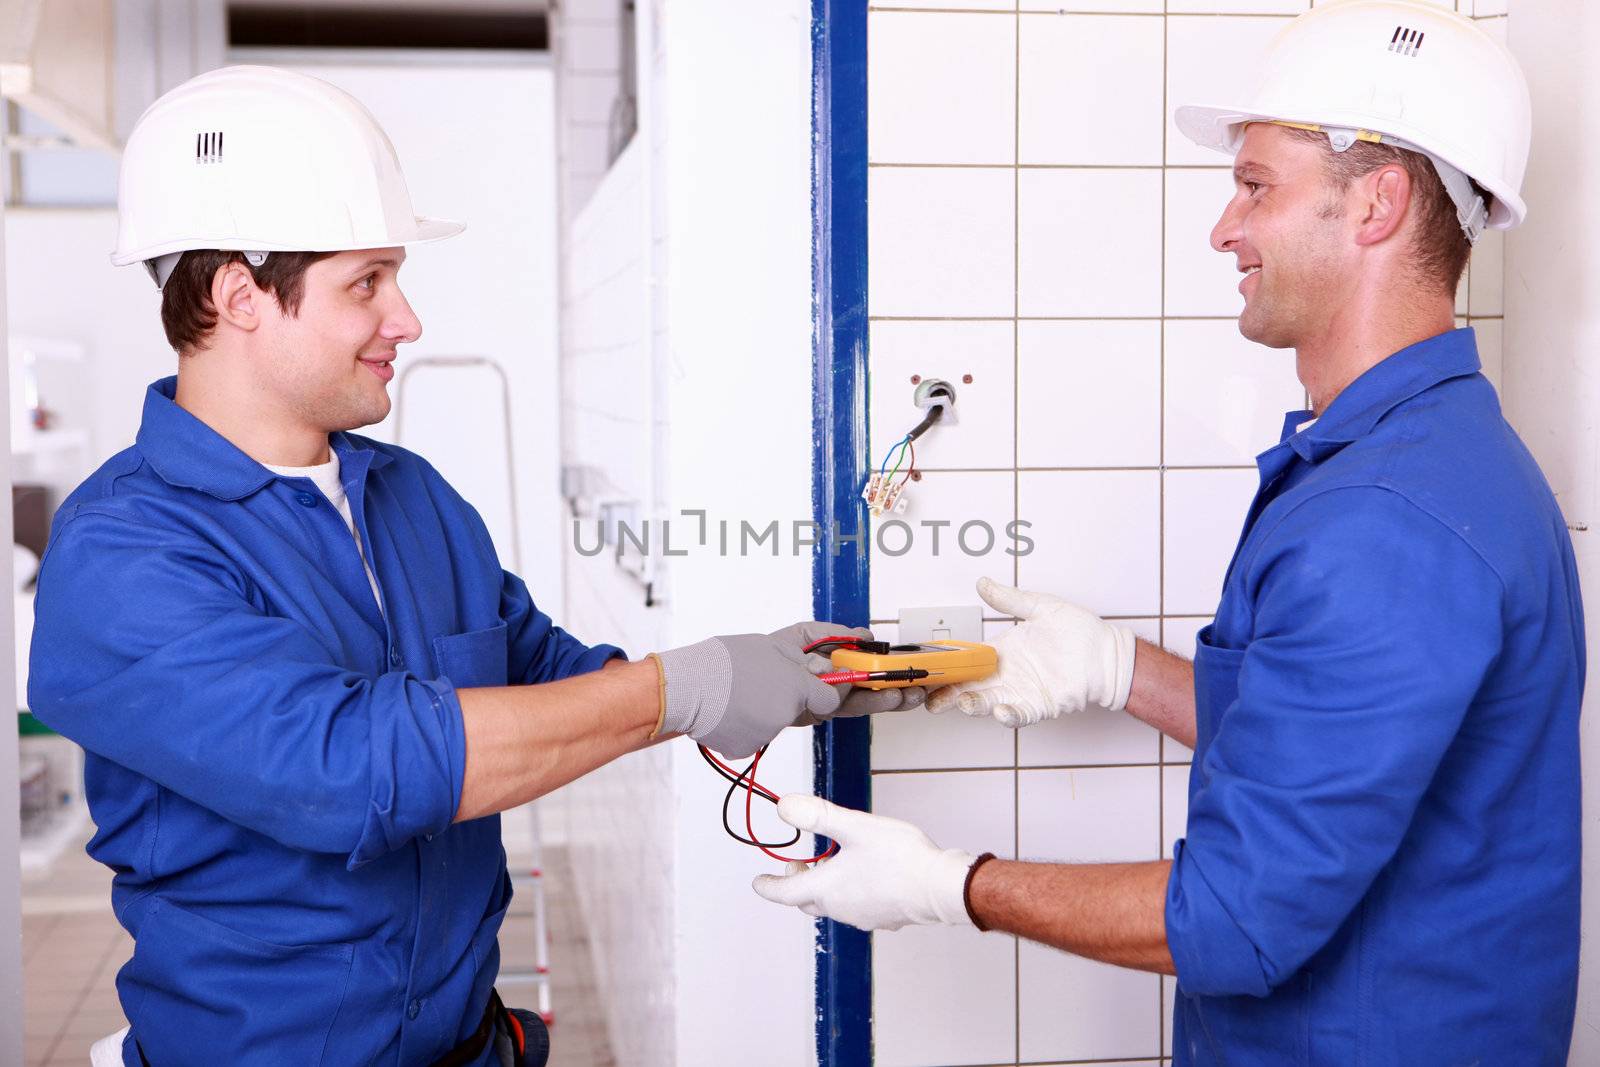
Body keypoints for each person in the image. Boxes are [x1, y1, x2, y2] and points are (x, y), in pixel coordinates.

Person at [27, 65, 919, 1067]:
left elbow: (554, 673)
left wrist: (780, 673)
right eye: (366, 281)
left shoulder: (413, 498)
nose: (405, 318)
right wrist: (691, 684)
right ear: (240, 294)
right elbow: (355, 766)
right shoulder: (124, 550)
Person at [754, 3, 1582, 1063]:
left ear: (1374, 202)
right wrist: (1113, 666)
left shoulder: (1388, 522)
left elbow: (1237, 917)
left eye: (1255, 186)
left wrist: (944, 885)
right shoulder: (1421, 465)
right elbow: (1328, 741)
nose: (1223, 229)